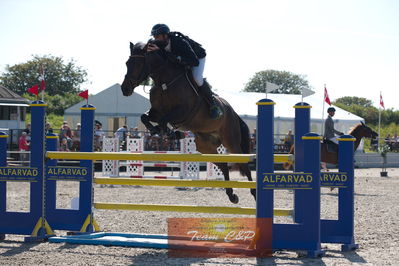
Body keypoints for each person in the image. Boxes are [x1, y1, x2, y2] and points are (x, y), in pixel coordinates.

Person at [147, 23, 223, 120]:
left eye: (157, 36)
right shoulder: (156, 44)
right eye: (154, 37)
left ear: (165, 35)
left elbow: (193, 61)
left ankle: (213, 105)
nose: (155, 39)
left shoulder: (179, 42)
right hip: (180, 60)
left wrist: (169, 56)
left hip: (197, 57)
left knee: (197, 78)